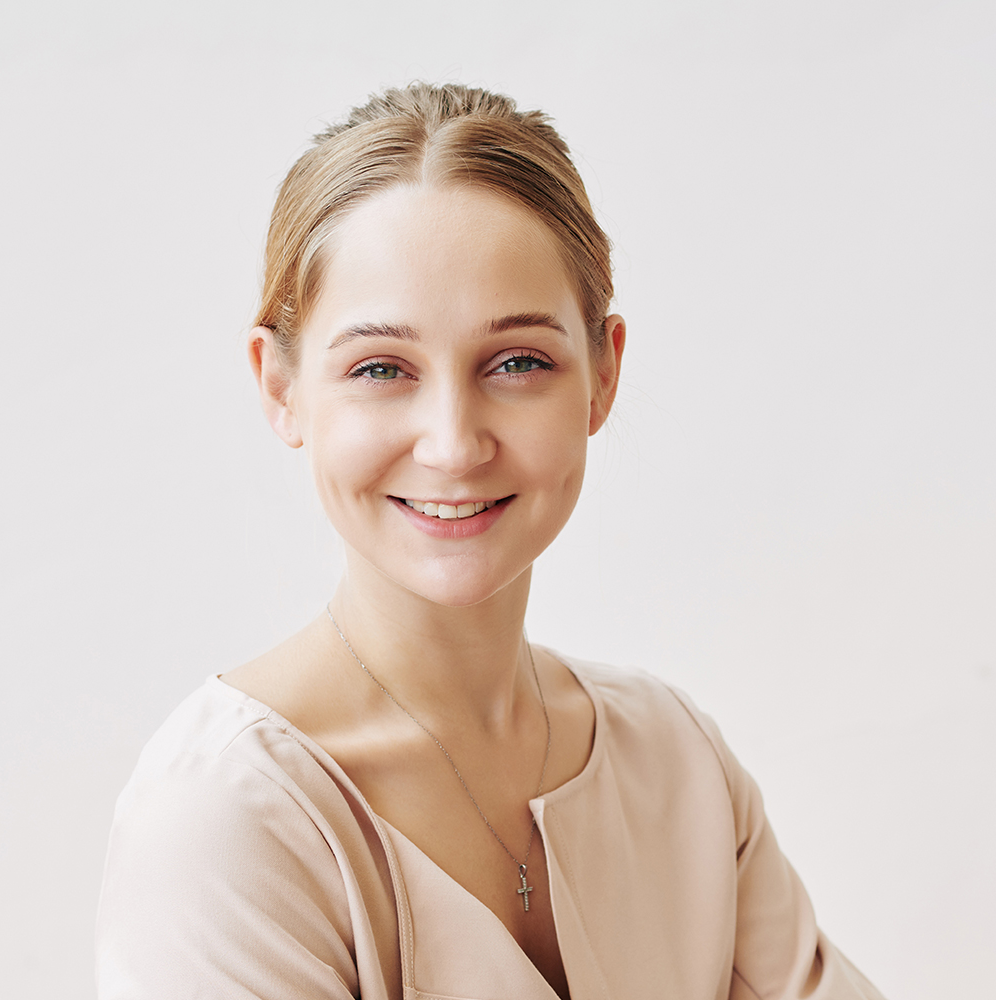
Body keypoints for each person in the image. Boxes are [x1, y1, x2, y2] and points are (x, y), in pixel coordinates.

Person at [95, 82, 884, 1000]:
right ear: (280, 387)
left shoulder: (676, 761)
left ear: (603, 374)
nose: (454, 443)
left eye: (517, 363)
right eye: (381, 368)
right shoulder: (225, 820)